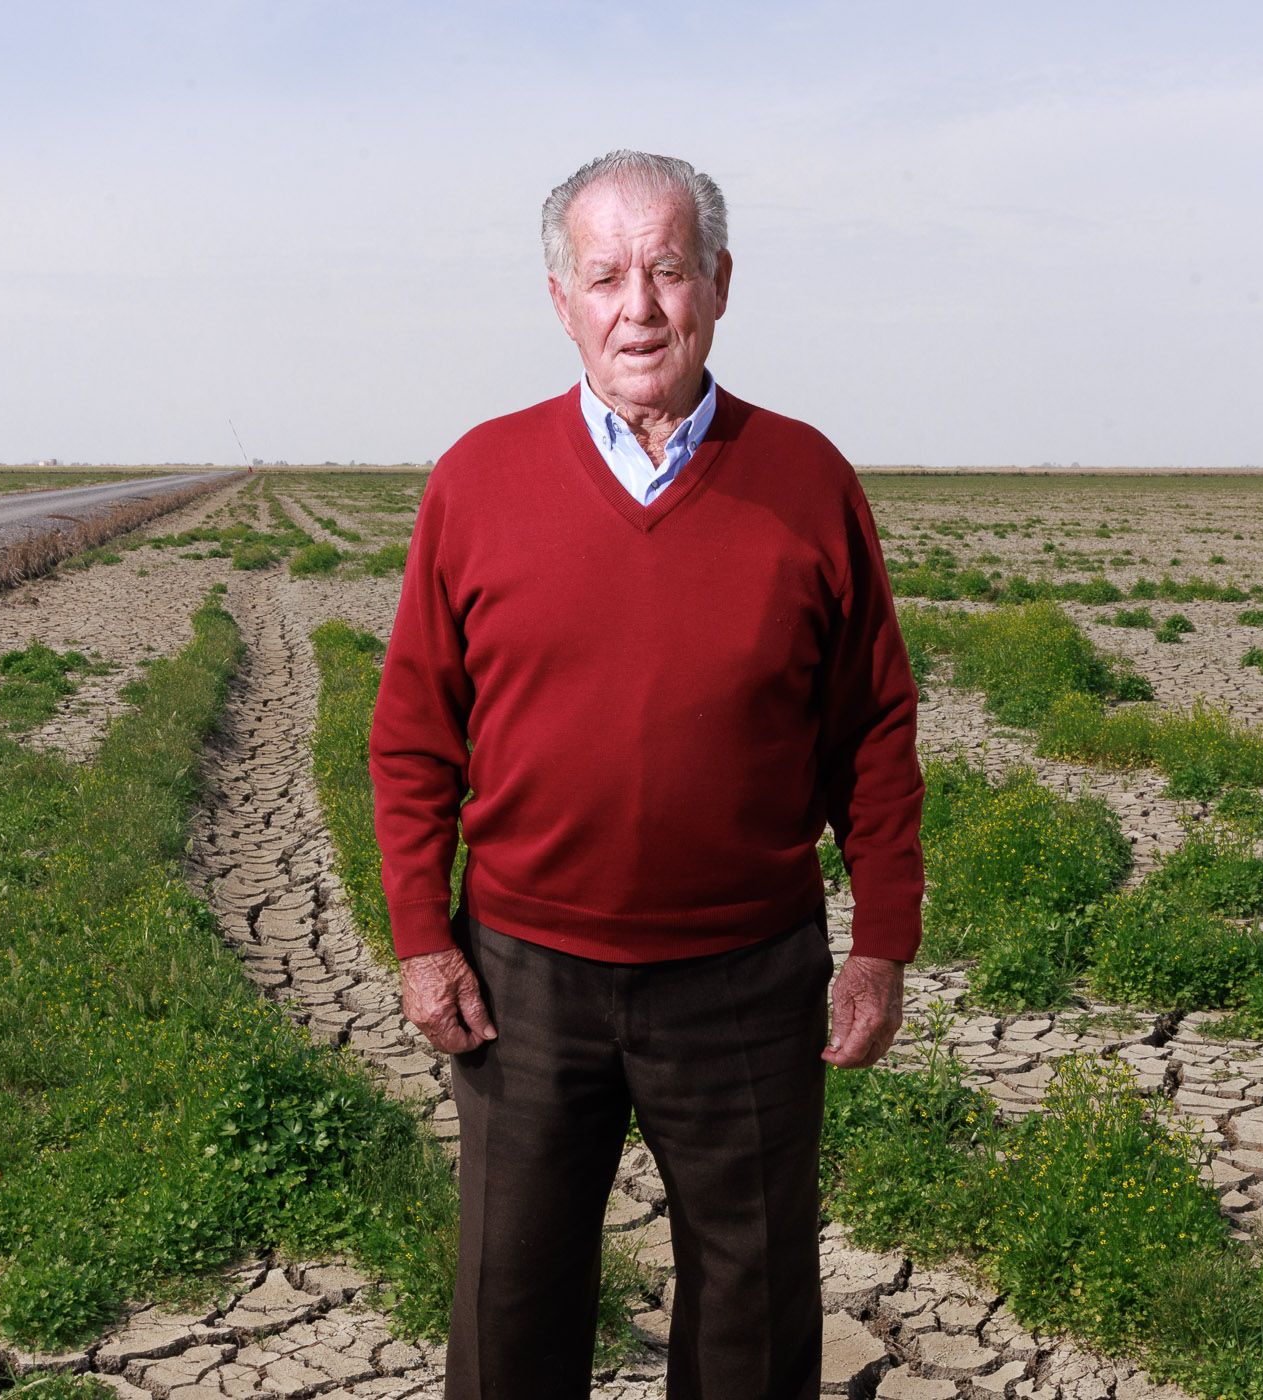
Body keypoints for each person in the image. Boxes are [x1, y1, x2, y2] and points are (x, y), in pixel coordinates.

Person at [368, 148, 925, 1400]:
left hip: (746, 975)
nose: (638, 307)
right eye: (604, 275)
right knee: (510, 1306)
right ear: (559, 299)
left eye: (667, 270)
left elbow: (872, 732)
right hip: (522, 975)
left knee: (750, 1311)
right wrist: (421, 935)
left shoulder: (806, 480)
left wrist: (881, 941)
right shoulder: (477, 478)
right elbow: (412, 732)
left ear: (718, 284)